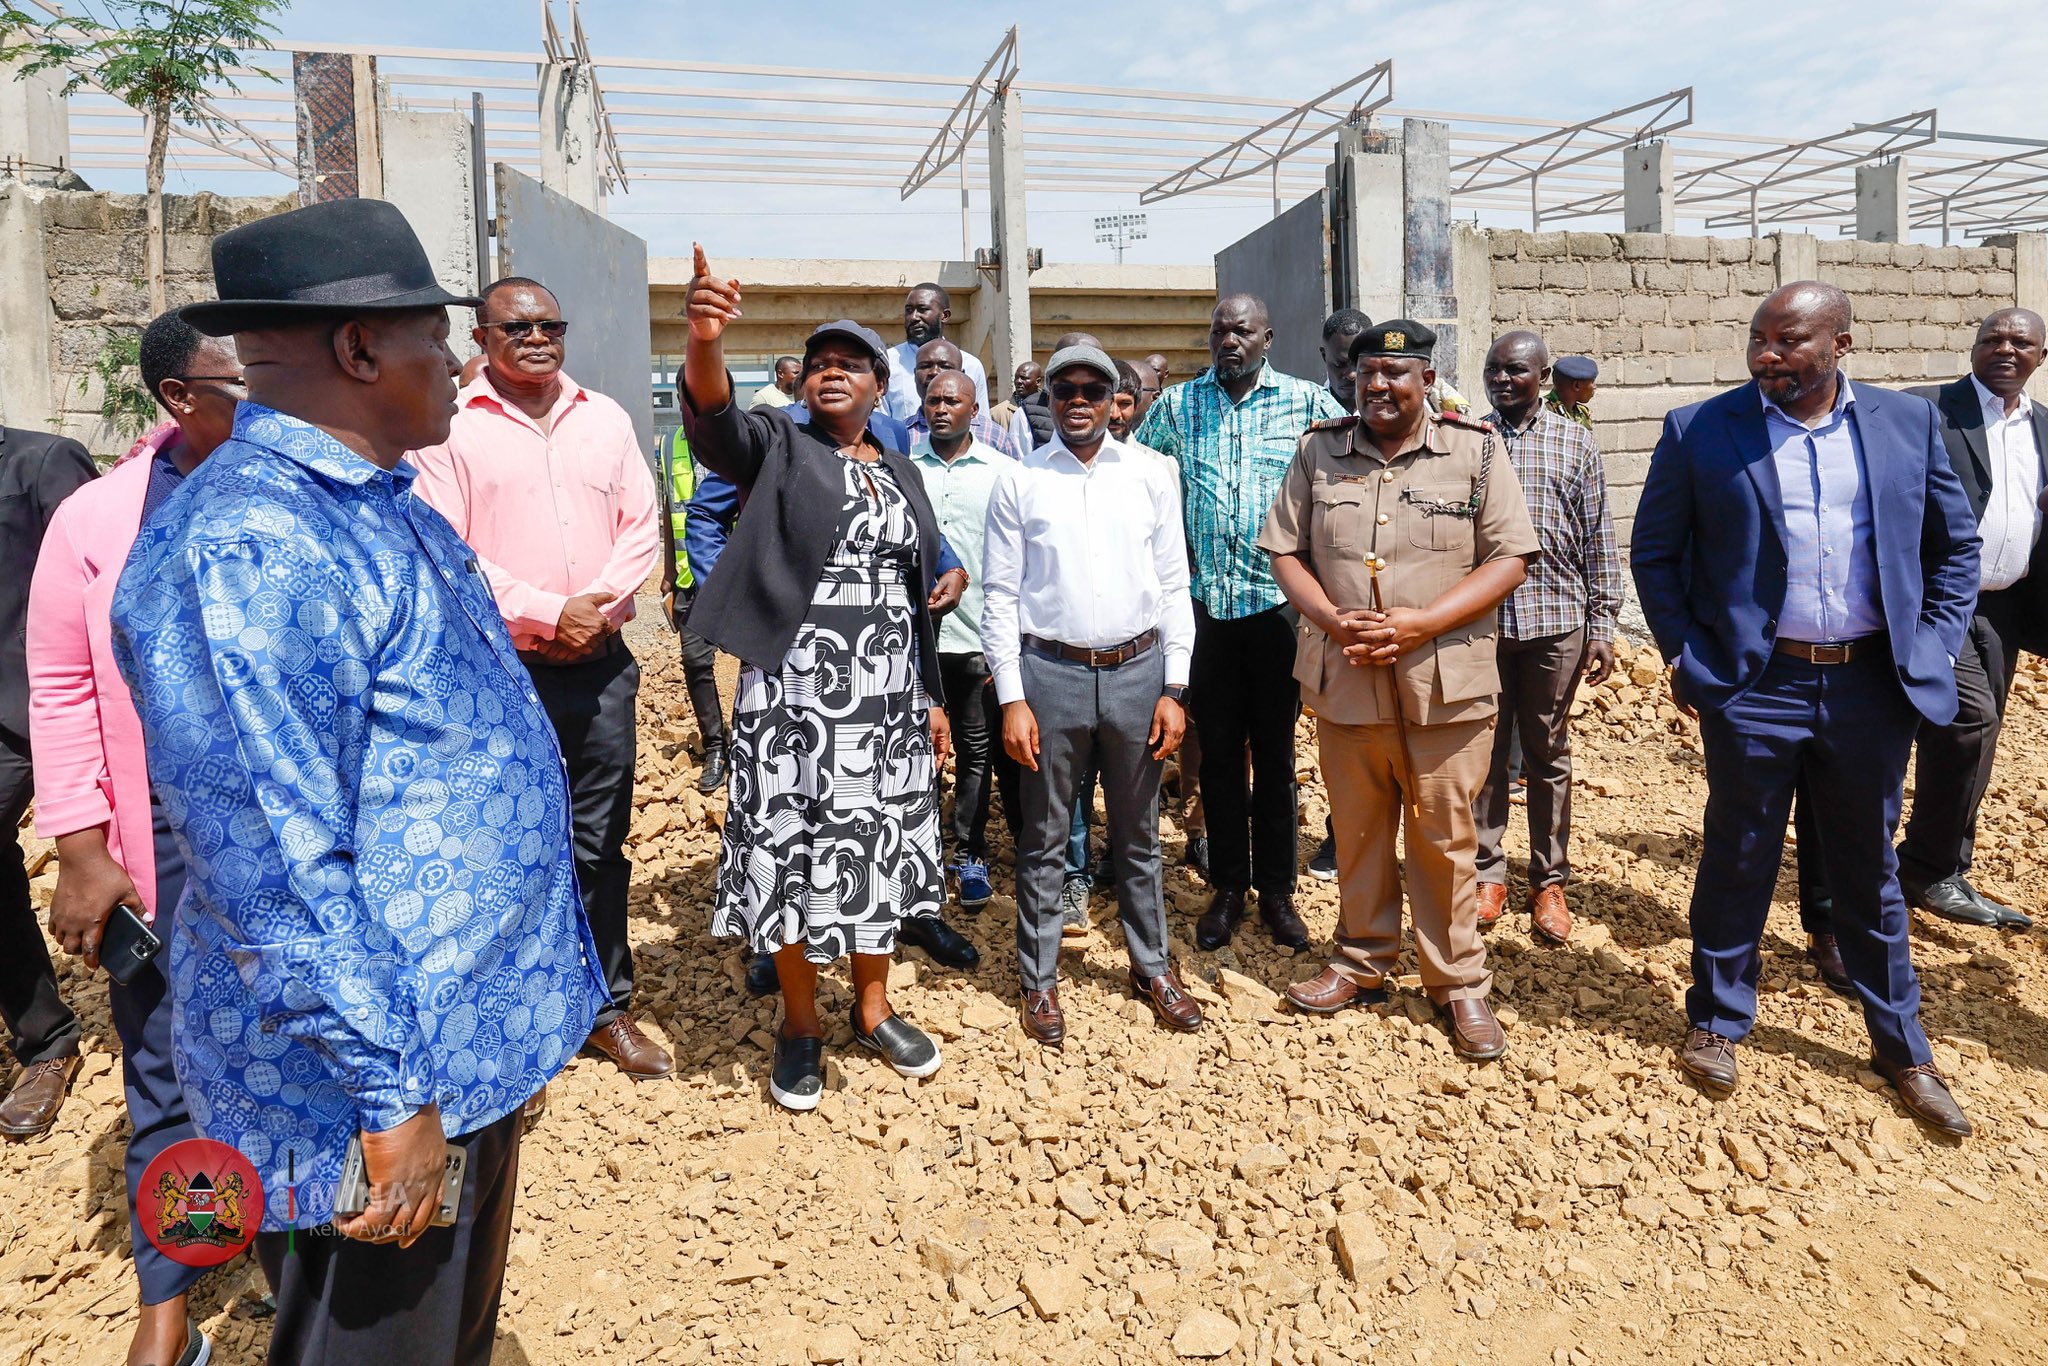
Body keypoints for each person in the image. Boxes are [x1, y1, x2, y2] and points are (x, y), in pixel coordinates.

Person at [111, 196, 606, 1363]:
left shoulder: (372, 500)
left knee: (446, 1335)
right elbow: (272, 862)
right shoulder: (248, 546)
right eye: (437, 336)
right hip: (366, 1088)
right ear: (359, 348)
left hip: (452, 1047)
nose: (461, 360)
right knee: (377, 1341)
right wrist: (388, 1092)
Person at [1631, 281, 1979, 1137]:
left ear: (1840, 345)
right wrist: (1685, 653)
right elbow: (1656, 552)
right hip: (1755, 686)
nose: (1766, 355)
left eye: (1787, 342)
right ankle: (1717, 1021)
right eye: (1759, 338)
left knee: (1869, 868)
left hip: (1870, 685)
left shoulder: (1908, 423)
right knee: (1739, 853)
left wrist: (1932, 646)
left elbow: (1955, 548)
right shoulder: (1700, 428)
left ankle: (1903, 1049)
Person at [681, 248, 954, 1111]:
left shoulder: (901, 467)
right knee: (790, 846)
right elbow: (715, 422)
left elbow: (921, 574)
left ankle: (872, 1008)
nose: (832, 372)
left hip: (887, 701)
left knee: (878, 843)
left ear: (881, 386)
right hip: (794, 696)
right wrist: (705, 337)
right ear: (803, 384)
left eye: (851, 364)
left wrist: (932, 684)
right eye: (820, 363)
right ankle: (800, 1022)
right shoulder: (781, 445)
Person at [28, 312, 241, 1366]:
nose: (266, 396)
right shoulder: (99, 518)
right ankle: (174, 1291)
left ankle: (298, 1257)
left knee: (299, 1048)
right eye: (240, 381)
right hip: (161, 830)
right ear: (177, 398)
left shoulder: (311, 488)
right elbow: (62, 684)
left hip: (293, 833)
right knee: (163, 1056)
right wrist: (80, 844)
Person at [409, 277, 673, 1083]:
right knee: (505, 846)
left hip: (599, 670)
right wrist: (549, 612)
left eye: (550, 325)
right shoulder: (449, 426)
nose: (536, 338)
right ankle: (515, 1026)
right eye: (516, 327)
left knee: (599, 844)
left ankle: (604, 1006)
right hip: (502, 672)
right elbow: (448, 549)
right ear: (482, 337)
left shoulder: (607, 419)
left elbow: (641, 528)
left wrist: (593, 611)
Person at [1262, 321, 1537, 1062]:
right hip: (1347, 676)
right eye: (1366, 374)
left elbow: (1511, 557)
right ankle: (1362, 960)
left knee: (1445, 837)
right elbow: (1283, 549)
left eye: (1395, 373)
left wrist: (1423, 624)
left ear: (1427, 380)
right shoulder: (1320, 451)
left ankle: (1457, 982)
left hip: (1444, 683)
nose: (1378, 386)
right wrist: (1330, 619)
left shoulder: (1475, 452)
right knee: (1358, 829)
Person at [684, 465, 982, 987]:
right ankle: (779, 938)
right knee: (795, 802)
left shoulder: (887, 438)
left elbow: (905, 516)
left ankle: (902, 920)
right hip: (797, 667)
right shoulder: (773, 436)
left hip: (882, 665)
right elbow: (707, 515)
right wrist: (745, 603)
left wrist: (949, 564)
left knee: (877, 811)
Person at [983, 344, 1200, 1047]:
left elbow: (1174, 585)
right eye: (1064, 389)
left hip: (1139, 674)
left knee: (1139, 834)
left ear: (1114, 401)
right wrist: (1013, 698)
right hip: (1051, 675)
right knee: (1045, 837)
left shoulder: (1151, 474)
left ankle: (1152, 967)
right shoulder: (1020, 480)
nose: (1078, 400)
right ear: (1047, 399)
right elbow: (999, 596)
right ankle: (1039, 980)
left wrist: (1175, 686)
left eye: (1093, 389)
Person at [1136, 294, 1345, 953]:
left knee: (1277, 758)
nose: (1228, 340)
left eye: (1242, 330)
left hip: (1277, 608)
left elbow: (1356, 457)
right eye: (1219, 330)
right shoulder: (1178, 406)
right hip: (1206, 611)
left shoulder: (1306, 403)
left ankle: (1277, 891)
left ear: (1267, 338)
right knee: (1221, 757)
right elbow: (1139, 475)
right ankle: (1228, 887)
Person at [1893, 308, 2046, 930]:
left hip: (2004, 606)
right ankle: (1924, 868)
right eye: (1993, 338)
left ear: (2041, 356)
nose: (2006, 349)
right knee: (1969, 722)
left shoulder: (2043, 426)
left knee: (1975, 735)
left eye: (2021, 342)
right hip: (1934, 600)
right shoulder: (1924, 410)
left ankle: (1941, 866)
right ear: (1975, 347)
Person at [1472, 330, 1621, 944]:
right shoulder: (1469, 440)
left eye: (1515, 370)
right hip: (1481, 626)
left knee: (1547, 753)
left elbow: (1598, 535)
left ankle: (1548, 880)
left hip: (1555, 623)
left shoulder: (1574, 441)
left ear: (1542, 377)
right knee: (1483, 752)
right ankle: (1486, 873)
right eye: (1493, 369)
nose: (1502, 380)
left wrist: (1603, 623)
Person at [0, 418, 94, 1142]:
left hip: (31, 711)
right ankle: (43, 1031)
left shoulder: (42, 461)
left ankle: (48, 1043)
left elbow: (100, 588)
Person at [912, 370, 1007, 913]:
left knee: (975, 752)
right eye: (933, 400)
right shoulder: (902, 468)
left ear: (974, 410)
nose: (942, 408)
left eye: (953, 400)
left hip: (976, 637)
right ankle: (919, 856)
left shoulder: (1002, 472)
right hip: (911, 641)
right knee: (913, 752)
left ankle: (970, 854)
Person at [1304, 308, 1375, 881]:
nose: (1352, 375)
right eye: (1340, 364)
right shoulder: (1310, 421)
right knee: (1336, 729)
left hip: (1397, 605)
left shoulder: (1424, 410)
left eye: (1361, 362)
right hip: (1326, 606)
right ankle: (1338, 835)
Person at [659, 426, 733, 794]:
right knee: (695, 661)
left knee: (759, 661)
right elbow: (669, 506)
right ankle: (716, 745)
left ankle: (757, 738)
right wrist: (670, 573)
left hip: (737, 574)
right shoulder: (670, 443)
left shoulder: (737, 436)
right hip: (690, 577)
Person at [905, 337, 1032, 458]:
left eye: (945, 366)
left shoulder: (995, 437)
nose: (934, 372)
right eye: (925, 366)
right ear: (915, 374)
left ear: (962, 374)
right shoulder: (900, 436)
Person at [885, 282, 988, 421]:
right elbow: (880, 423)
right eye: (909, 310)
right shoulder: (888, 362)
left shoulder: (971, 364)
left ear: (944, 315)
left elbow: (981, 422)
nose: (913, 317)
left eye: (922, 310)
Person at [992, 360, 1052, 449]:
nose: (1018, 381)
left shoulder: (1050, 408)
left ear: (1038, 382)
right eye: (1016, 378)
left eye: (1024, 378)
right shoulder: (997, 413)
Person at [1546, 356, 1598, 429]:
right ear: (1576, 385)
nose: (1595, 386)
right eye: (1592, 382)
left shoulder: (1582, 412)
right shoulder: (1545, 411)